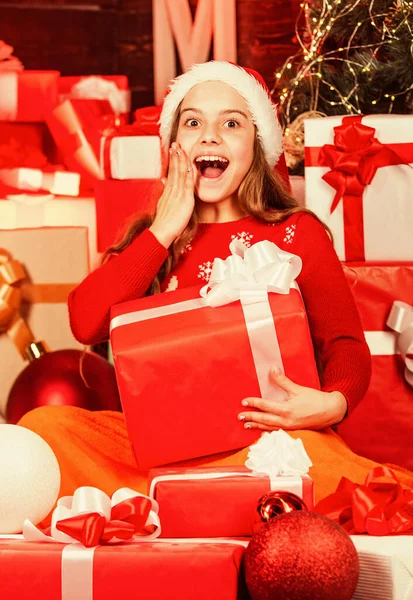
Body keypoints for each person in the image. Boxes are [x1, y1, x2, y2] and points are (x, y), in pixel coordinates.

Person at [18, 61, 413, 514]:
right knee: (46, 428)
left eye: (231, 122)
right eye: (192, 122)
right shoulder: (152, 240)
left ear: (256, 146)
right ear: (173, 147)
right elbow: (85, 323)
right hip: (160, 455)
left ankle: (194, 506)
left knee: (330, 470)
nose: (210, 136)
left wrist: (332, 404)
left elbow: (345, 345)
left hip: (266, 449)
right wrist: (164, 229)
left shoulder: (297, 233)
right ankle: (199, 501)